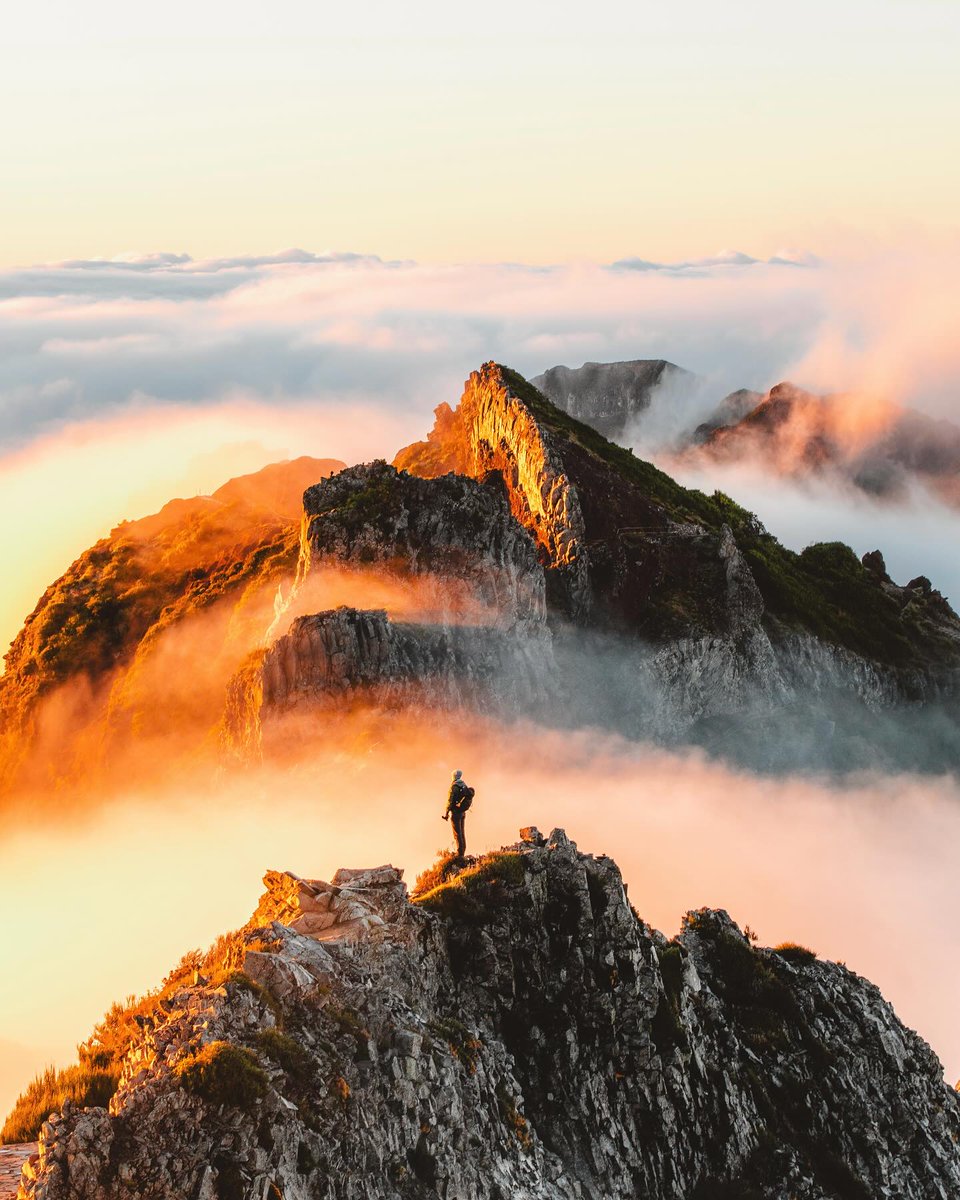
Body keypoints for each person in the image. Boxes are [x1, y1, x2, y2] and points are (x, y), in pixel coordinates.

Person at [443, 769, 474, 859]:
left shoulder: (454, 787)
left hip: (456, 813)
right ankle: (462, 850)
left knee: (457, 834)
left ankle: (459, 854)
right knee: (462, 832)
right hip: (462, 812)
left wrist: (446, 813)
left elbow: (450, 801)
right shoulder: (463, 785)